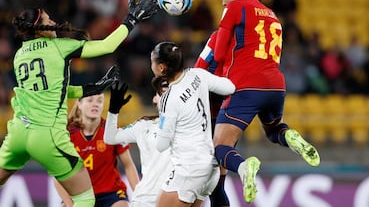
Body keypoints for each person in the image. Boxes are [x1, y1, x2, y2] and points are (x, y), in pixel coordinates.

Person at [0, 0, 158, 207]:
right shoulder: (59, 47)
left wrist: (91, 88)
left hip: (17, 132)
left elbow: (53, 90)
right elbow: (106, 46)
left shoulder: (20, 55)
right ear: (39, 29)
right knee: (84, 199)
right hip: (47, 135)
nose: (54, 22)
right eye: (49, 20)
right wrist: (131, 20)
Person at [211, 0, 321, 204]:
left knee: (219, 147)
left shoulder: (235, 8)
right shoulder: (272, 15)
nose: (223, 0)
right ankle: (291, 137)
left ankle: (245, 166)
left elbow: (220, 52)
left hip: (245, 84)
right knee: (273, 130)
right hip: (276, 86)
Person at [151, 41, 235, 207]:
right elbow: (230, 87)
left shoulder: (169, 99)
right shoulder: (198, 75)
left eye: (152, 61)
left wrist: (162, 111)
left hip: (188, 170)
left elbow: (161, 145)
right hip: (209, 168)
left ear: (161, 68)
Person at [54, 92, 139, 207]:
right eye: (90, 100)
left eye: (99, 101)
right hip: (80, 195)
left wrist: (140, 195)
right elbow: (58, 176)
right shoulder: (66, 135)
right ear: (79, 104)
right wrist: (70, 204)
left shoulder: (112, 130)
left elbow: (128, 165)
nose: (95, 104)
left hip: (111, 193)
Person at [104, 78, 172, 207]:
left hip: (175, 199)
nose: (167, 98)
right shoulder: (144, 126)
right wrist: (113, 111)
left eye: (170, 94)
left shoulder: (188, 126)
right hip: (145, 199)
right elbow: (110, 138)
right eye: (162, 94)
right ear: (155, 99)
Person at [194, 31, 229, 207]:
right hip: (212, 114)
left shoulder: (219, 37)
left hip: (220, 115)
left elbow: (198, 67)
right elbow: (199, 67)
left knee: (214, 181)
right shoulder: (217, 37)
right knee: (213, 182)